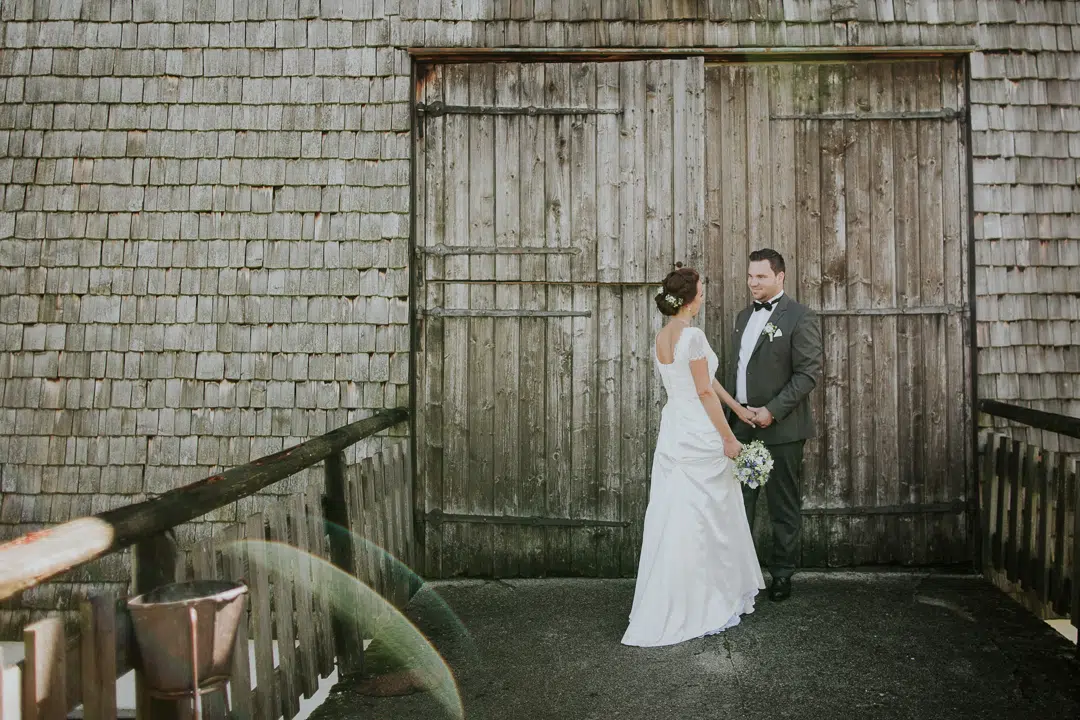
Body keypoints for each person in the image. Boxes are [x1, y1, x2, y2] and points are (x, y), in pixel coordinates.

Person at [621, 264, 765, 648]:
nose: (704, 296)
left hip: (675, 431)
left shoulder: (664, 336)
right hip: (699, 431)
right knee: (706, 516)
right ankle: (702, 599)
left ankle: (675, 594)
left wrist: (736, 409)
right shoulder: (694, 335)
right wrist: (727, 439)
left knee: (676, 514)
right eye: (701, 290)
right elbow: (702, 392)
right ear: (690, 297)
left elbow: (707, 382)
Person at [727, 248, 823, 602]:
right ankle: (741, 576)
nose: (753, 283)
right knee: (740, 503)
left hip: (781, 429)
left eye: (761, 277)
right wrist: (737, 413)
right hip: (742, 427)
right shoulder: (741, 317)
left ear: (780, 277)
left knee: (782, 505)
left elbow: (808, 372)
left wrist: (772, 410)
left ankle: (782, 574)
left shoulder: (799, 317)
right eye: (750, 276)